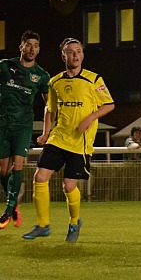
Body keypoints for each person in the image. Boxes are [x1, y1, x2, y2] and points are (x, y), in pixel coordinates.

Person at [23, 38, 115, 242]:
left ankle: (74, 223)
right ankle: (43, 224)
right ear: (63, 56)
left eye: (79, 51)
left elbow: (109, 105)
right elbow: (50, 109)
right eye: (71, 52)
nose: (75, 55)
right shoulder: (55, 81)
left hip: (80, 142)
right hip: (59, 137)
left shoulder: (94, 79)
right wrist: (46, 133)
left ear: (82, 55)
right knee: (39, 177)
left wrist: (90, 118)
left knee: (68, 186)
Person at [0, 31, 50, 229]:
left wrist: (47, 131)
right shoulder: (5, 66)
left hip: (23, 125)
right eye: (28, 44)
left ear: (38, 49)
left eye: (35, 45)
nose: (32, 49)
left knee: (17, 165)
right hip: (3, 122)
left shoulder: (42, 75)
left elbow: (49, 105)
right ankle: (15, 205)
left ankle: (7, 211)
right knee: (3, 169)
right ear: (21, 46)